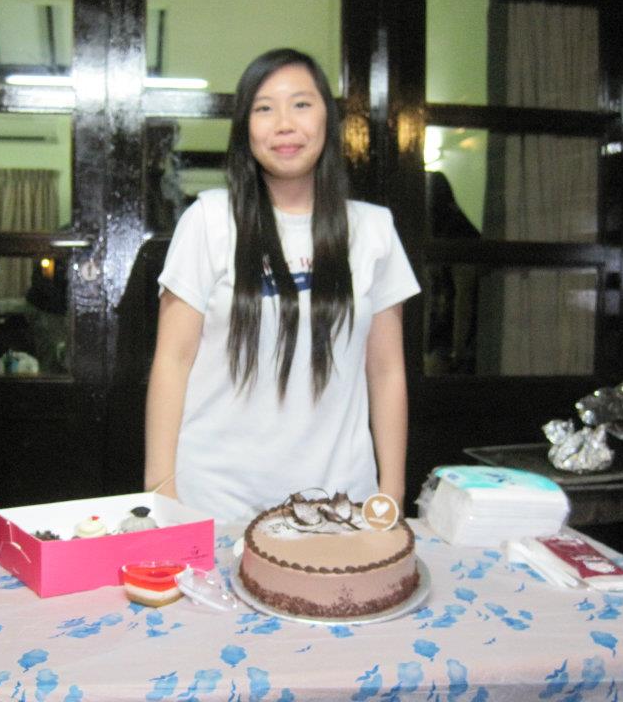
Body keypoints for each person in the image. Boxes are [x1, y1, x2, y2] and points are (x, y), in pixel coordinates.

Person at [144, 48, 420, 523]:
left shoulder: (373, 230)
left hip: (340, 503)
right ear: (245, 128)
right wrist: (161, 490)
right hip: (214, 500)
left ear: (327, 119)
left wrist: (390, 493)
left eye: (301, 104)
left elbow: (387, 371)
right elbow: (173, 361)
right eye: (264, 108)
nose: (284, 125)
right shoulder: (209, 220)